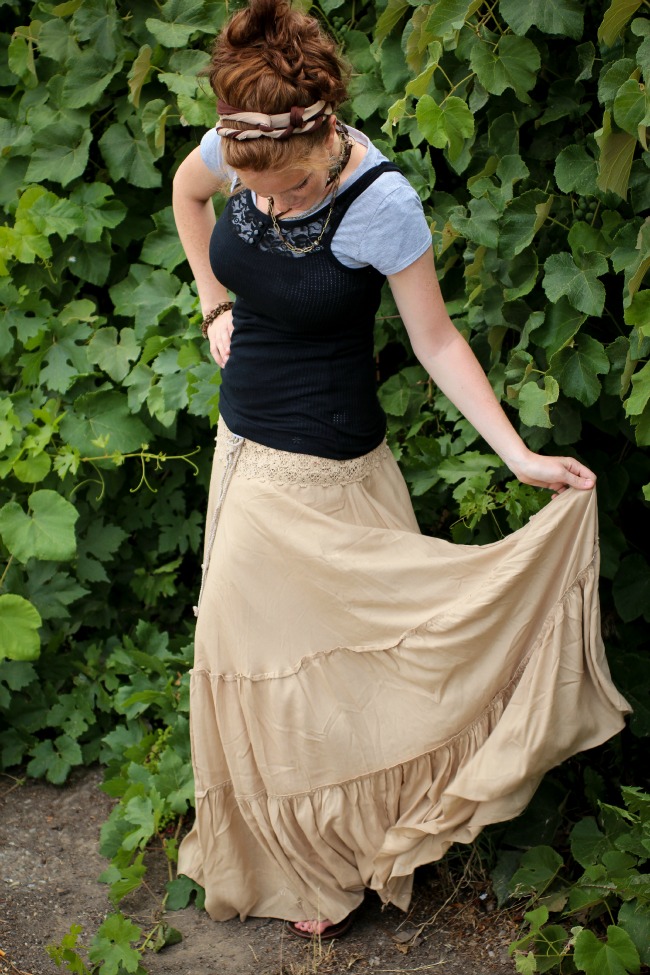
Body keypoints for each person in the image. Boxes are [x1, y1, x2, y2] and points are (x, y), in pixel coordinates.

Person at [172, 0, 630, 940]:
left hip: (329, 474)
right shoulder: (245, 144)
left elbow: (437, 340)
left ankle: (349, 852)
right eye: (252, 184)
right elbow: (189, 194)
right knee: (257, 669)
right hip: (242, 452)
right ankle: (294, 861)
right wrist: (213, 303)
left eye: (286, 185)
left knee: (349, 683)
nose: (266, 200)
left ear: (321, 133)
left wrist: (517, 453)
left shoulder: (380, 203)